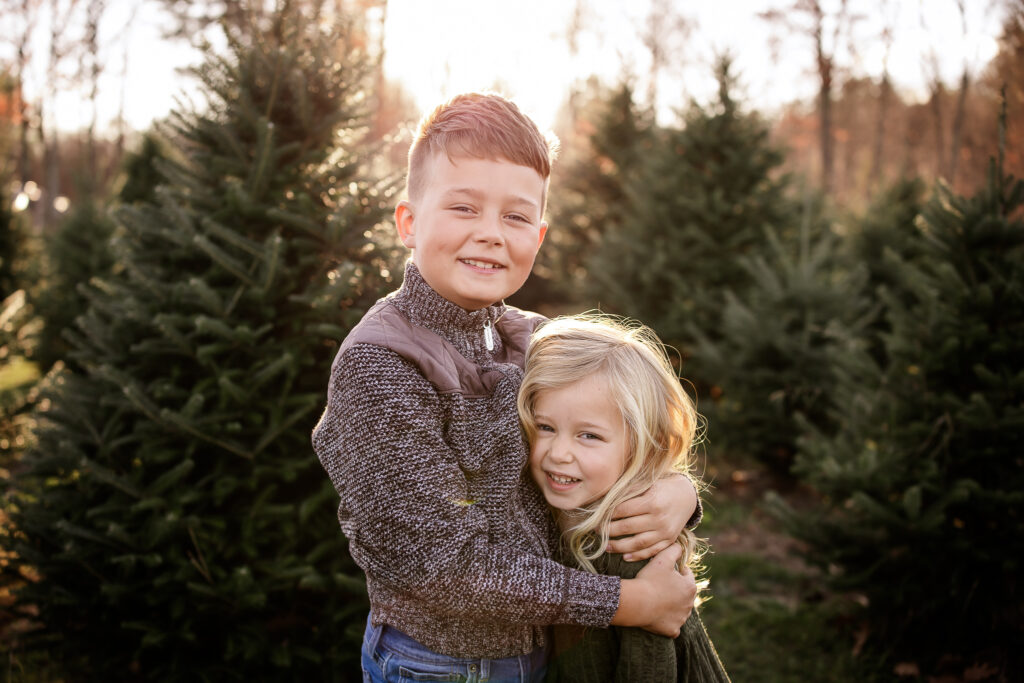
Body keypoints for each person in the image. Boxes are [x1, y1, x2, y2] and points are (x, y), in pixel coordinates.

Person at [312, 92, 702, 683]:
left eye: (515, 217)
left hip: (544, 651)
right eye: (464, 208)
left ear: (538, 236)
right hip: (438, 666)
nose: (491, 234)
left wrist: (678, 494)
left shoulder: (533, 339)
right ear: (408, 223)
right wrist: (630, 605)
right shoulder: (381, 367)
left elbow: (625, 439)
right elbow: (442, 567)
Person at [518, 315, 730, 682]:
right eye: (546, 427)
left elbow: (649, 669)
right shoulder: (549, 507)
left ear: (641, 445)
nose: (559, 453)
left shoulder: (628, 545)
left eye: (589, 436)